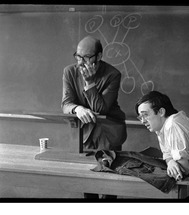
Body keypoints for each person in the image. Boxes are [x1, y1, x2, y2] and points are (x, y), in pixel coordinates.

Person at [62, 35, 127, 199]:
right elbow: (66, 104)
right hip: (84, 135)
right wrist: (77, 109)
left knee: (110, 186)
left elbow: (101, 108)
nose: (81, 62)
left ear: (99, 56)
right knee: (88, 184)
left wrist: (89, 82)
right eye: (78, 56)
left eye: (86, 57)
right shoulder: (70, 72)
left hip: (109, 132)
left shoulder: (113, 74)